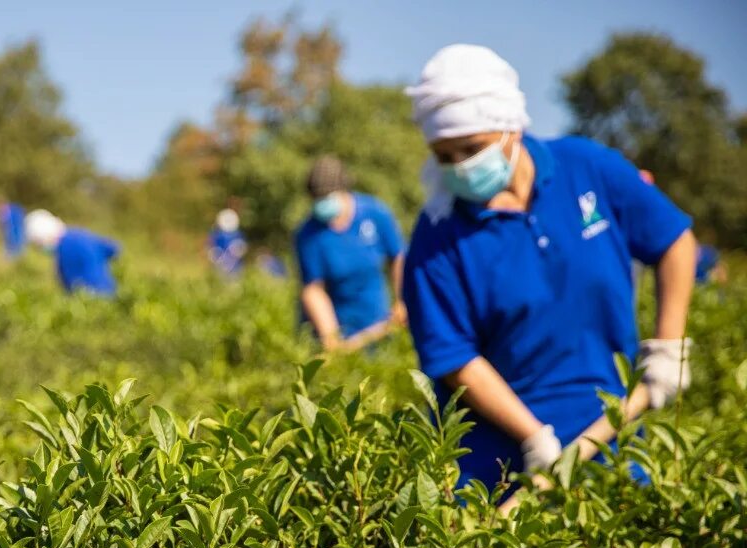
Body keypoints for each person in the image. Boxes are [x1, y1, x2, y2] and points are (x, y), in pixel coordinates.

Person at [401, 44, 696, 494]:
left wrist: (668, 348)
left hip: (613, 436)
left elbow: (674, 239)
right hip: (498, 462)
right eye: (444, 155)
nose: (460, 165)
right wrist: (533, 437)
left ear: (511, 129)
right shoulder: (436, 236)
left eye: (472, 148)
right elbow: (454, 357)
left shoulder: (587, 168)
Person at [294, 156, 406, 352]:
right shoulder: (308, 234)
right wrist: (331, 338)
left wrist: (401, 300)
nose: (322, 203)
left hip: (377, 322)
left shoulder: (375, 213)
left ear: (344, 190)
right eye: (317, 198)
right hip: (337, 326)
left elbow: (397, 257)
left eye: (327, 196)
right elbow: (314, 290)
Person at [24, 209, 120, 297]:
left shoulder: (65, 249)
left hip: (91, 297)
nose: (41, 249)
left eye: (39, 245)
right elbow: (113, 249)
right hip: (110, 290)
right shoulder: (80, 233)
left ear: (45, 238)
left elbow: (70, 285)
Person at [208, 208, 248, 277]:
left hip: (234, 267)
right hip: (221, 266)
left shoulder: (237, 234)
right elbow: (212, 248)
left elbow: (242, 248)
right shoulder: (217, 234)